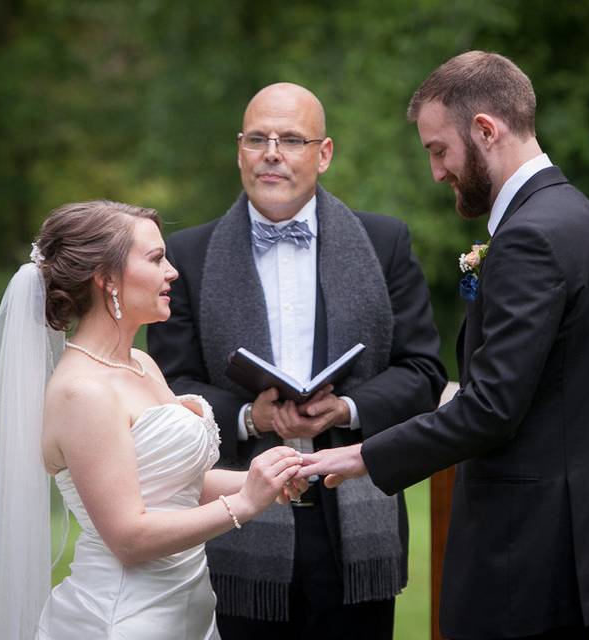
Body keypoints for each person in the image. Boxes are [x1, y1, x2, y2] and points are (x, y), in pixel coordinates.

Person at [299, 52, 589, 639]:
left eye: (438, 149)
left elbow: (492, 409)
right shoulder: (585, 222)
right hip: (568, 541)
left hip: (519, 553)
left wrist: (361, 455)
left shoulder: (532, 237)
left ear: (485, 129)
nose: (437, 171)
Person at [147, 83, 447, 639]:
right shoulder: (187, 256)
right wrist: (249, 417)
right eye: (257, 138)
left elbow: (423, 373)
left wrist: (346, 409)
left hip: (355, 522)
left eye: (291, 139)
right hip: (234, 521)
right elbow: (168, 388)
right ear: (239, 150)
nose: (272, 152)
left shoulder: (385, 243)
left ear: (324, 153)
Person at [0, 200, 308, 640]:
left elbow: (174, 485)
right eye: (156, 259)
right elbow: (129, 538)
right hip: (125, 618)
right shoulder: (82, 392)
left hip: (187, 608)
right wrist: (243, 505)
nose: (172, 271)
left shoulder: (140, 363)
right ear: (106, 278)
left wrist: (263, 479)